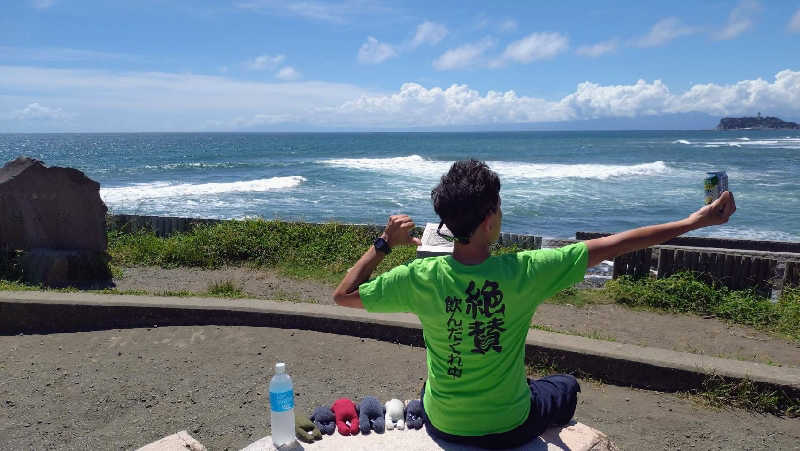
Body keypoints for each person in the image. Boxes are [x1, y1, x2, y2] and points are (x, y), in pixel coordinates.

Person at [333, 159, 736, 449]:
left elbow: (343, 296)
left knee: (435, 378)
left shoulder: (420, 278)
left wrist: (383, 244)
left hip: (446, 427)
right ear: (490, 219)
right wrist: (694, 222)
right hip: (510, 426)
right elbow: (620, 243)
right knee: (563, 386)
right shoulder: (526, 271)